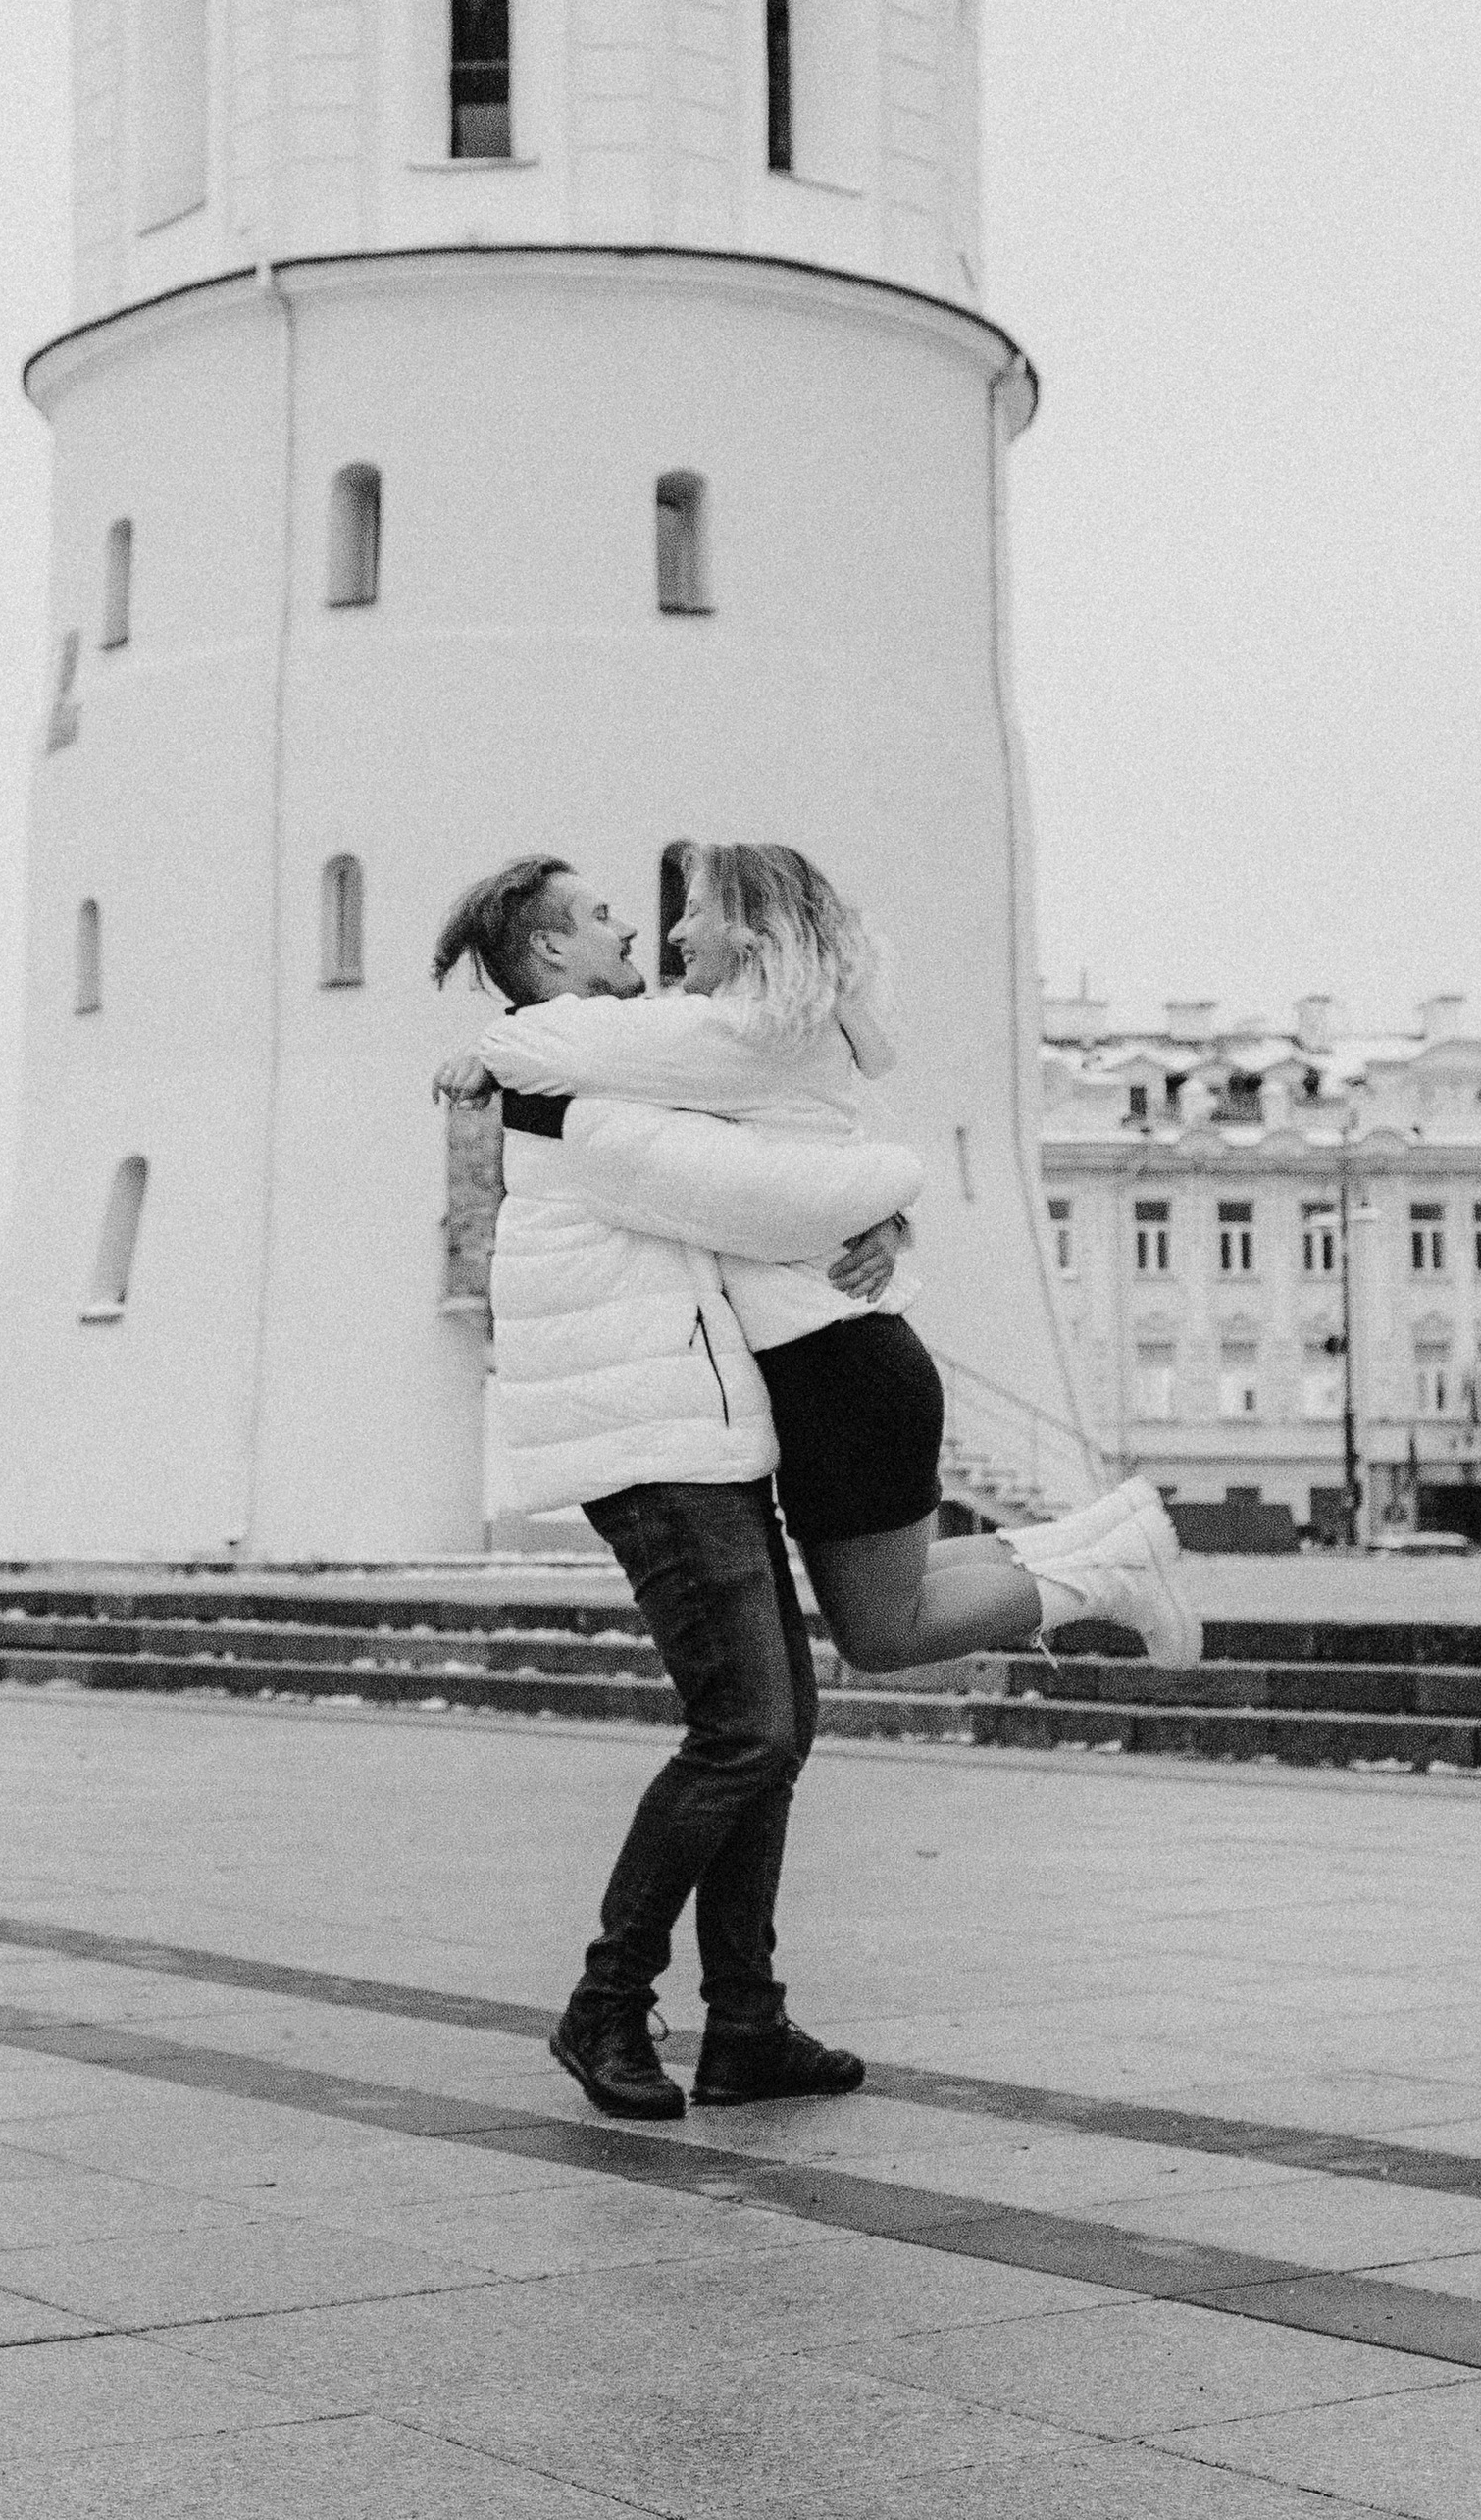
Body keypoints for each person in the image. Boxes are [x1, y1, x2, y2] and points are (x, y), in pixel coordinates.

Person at [431, 854, 918, 2127]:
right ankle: (606, 2003)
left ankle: (746, 2022)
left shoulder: (589, 1064)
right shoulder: (576, 1092)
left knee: (773, 1734)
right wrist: (890, 1188)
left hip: (696, 1426)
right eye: (597, 918)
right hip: (644, 1440)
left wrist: (864, 1217)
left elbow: (761, 1143)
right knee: (746, 1731)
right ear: (550, 960)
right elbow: (748, 1180)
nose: (627, 926)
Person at [458, 842, 1200, 1676]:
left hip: (836, 1367)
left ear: (749, 928)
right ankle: (1103, 1543)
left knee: (883, 1631)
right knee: (884, 1597)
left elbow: (576, 1057)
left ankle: (1107, 1576)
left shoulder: (742, 1034)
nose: (670, 933)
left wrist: (496, 1049)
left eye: (695, 909)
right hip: (839, 1359)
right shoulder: (761, 1031)